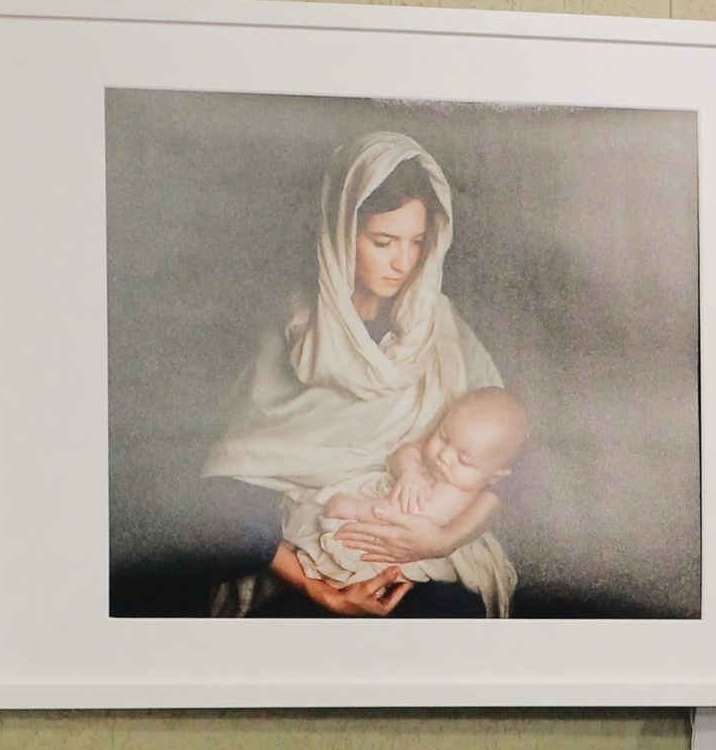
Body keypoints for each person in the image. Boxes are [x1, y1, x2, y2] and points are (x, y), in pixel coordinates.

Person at [198, 133, 514, 620]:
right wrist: (325, 592)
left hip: (423, 553)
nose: (402, 263)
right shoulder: (295, 332)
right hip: (307, 564)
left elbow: (507, 466)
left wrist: (441, 538)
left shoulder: (440, 325)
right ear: (341, 232)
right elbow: (229, 489)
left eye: (416, 241)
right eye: (383, 242)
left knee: (446, 620)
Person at [285, 385, 527, 615]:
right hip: (392, 500)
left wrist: (353, 508)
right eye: (443, 437)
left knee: (347, 546)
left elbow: (400, 518)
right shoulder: (455, 449)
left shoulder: (455, 494)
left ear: (494, 476)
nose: (444, 455)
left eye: (463, 460)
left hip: (403, 530)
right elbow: (406, 451)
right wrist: (408, 472)